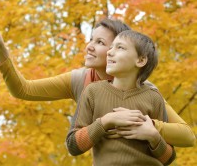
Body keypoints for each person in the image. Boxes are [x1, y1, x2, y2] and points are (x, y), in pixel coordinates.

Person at [0, 10, 195, 148]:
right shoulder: (80, 80)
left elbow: (187, 136)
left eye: (100, 42)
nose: (89, 47)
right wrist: (1, 53)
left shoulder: (144, 90)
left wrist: (149, 126)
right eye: (90, 40)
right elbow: (23, 90)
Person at [66, 30, 175, 165]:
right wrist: (106, 121)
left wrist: (153, 136)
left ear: (140, 60)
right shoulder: (92, 91)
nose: (109, 52)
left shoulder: (154, 98)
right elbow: (73, 146)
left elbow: (168, 159)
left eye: (120, 47)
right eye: (111, 47)